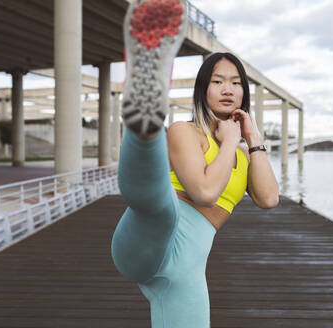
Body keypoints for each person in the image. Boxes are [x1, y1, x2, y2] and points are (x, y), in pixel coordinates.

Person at [111, 0, 279, 327]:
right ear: (203, 89)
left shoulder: (243, 155)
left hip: (186, 270)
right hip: (147, 240)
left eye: (235, 82)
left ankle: (143, 122)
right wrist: (230, 140)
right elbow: (203, 192)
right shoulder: (184, 132)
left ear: (245, 91)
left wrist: (251, 135)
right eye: (217, 81)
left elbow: (269, 199)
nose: (227, 89)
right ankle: (142, 121)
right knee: (158, 206)